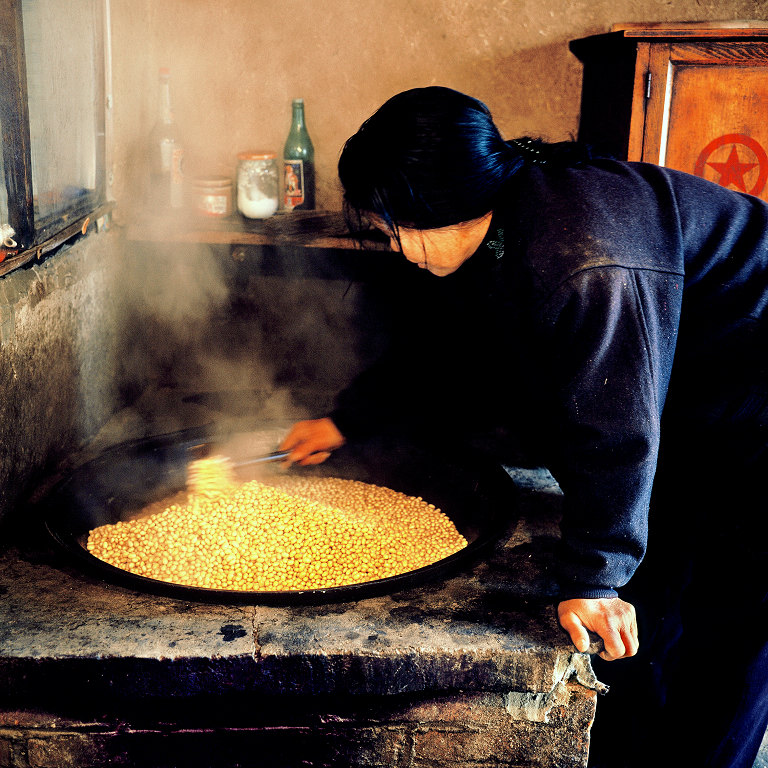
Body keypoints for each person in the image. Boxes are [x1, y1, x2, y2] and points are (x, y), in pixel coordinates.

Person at [280, 86, 768, 768]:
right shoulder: (495, 218)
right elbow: (446, 344)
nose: (396, 246)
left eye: (396, 227)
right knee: (654, 599)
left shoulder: (585, 257)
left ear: (441, 203)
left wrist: (595, 576)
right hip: (696, 393)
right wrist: (346, 419)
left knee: (727, 628)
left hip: (754, 411)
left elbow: (615, 424)